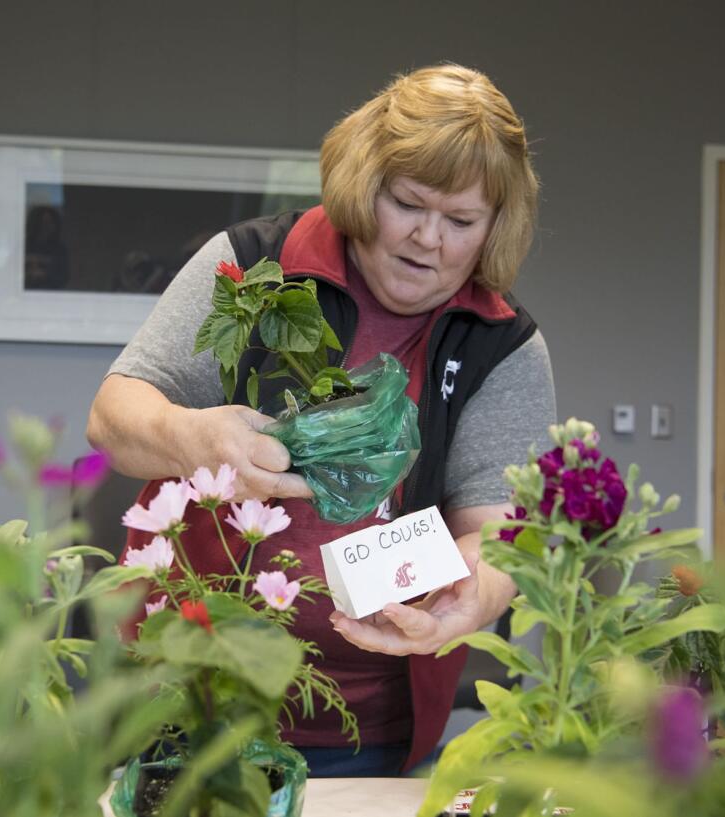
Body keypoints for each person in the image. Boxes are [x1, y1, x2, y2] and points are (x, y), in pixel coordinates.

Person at [87, 64, 556, 777]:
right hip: (186, 694)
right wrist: (198, 438)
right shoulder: (251, 265)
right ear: (365, 185)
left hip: (370, 727)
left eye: (461, 221)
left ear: (496, 226)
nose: (429, 239)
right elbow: (114, 416)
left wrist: (472, 594)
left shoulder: (501, 342)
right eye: (409, 203)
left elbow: (497, 532)